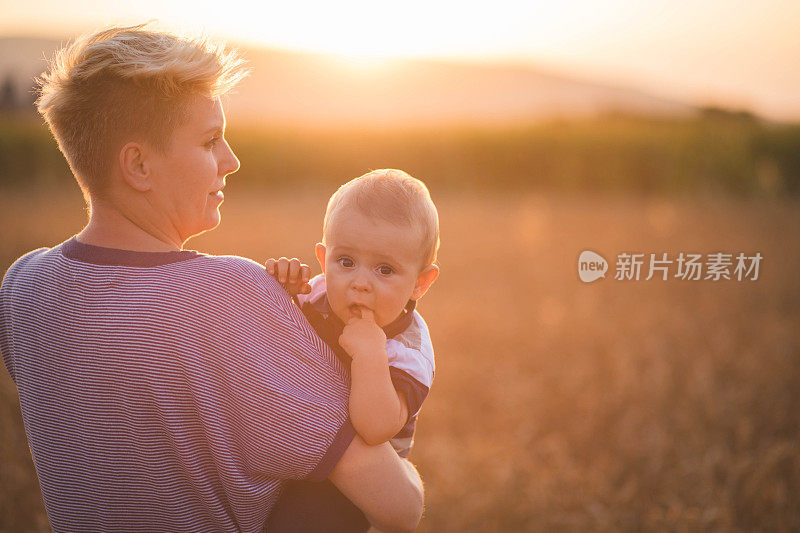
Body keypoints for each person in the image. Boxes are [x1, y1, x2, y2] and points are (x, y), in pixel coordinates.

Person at [0, 24, 423, 532]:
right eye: (209, 141)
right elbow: (398, 507)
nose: (232, 160)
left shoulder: (24, 286)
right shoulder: (227, 295)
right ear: (137, 164)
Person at [263, 169, 440, 531]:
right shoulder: (317, 292)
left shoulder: (407, 349)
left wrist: (370, 353)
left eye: (385, 270)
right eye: (345, 262)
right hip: (293, 448)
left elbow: (375, 429)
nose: (360, 283)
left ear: (419, 284)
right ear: (323, 257)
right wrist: (281, 286)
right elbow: (272, 335)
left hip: (349, 489)